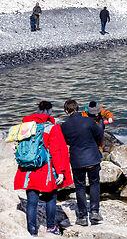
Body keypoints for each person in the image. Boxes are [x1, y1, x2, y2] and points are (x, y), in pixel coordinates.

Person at [14, 100, 73, 236]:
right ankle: (51, 227)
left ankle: (32, 231)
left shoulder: (26, 124)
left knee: (32, 201)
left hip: (28, 168)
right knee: (51, 198)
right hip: (45, 168)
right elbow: (57, 151)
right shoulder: (52, 127)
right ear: (49, 111)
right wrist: (61, 172)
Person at [60, 99, 104, 227]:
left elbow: (66, 141)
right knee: (94, 183)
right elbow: (99, 134)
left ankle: (83, 216)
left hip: (77, 159)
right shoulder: (88, 121)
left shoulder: (64, 126)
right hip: (92, 157)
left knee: (80, 187)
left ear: (66, 111)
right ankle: (95, 212)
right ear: (78, 108)